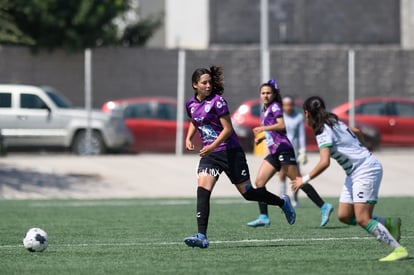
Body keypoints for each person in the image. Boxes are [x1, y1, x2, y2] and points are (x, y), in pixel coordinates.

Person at [183, 66, 296, 249]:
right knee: (203, 188)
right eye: (204, 83)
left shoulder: (218, 102)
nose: (208, 85)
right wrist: (189, 137)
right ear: (195, 85)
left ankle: (282, 202)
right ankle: (202, 235)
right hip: (211, 156)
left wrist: (211, 146)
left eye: (210, 82)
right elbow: (195, 121)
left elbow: (228, 130)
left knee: (248, 193)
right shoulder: (190, 104)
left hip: (230, 152)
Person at [292, 96, 408, 262]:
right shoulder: (334, 122)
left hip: (365, 171)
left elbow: (324, 162)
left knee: (362, 218)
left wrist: (304, 179)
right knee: (345, 215)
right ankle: (390, 223)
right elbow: (358, 131)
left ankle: (398, 250)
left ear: (306, 113)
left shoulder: (323, 131)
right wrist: (363, 147)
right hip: (355, 172)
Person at [246, 80, 333, 228]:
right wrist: (262, 138)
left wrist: (262, 128)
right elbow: (274, 131)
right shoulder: (265, 109)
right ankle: (264, 216)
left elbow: (281, 125)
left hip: (284, 149)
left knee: (297, 180)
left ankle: (324, 206)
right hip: (274, 151)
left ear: (274, 94)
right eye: (263, 93)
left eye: (268, 93)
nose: (265, 95)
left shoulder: (275, 107)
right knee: (259, 183)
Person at [279, 96, 307, 207]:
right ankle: (283, 199)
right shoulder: (280, 117)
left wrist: (303, 150)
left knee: (295, 177)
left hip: (294, 151)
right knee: (282, 174)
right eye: (286, 105)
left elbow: (301, 136)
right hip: (281, 150)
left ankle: (295, 199)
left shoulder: (298, 117)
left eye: (290, 104)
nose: (288, 107)